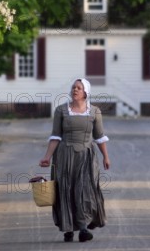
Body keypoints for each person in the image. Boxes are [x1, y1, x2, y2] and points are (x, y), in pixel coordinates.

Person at [39, 78, 110, 243]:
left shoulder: (94, 112)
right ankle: (68, 228)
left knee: (85, 189)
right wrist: (47, 157)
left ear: (86, 92)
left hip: (86, 156)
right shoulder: (61, 111)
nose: (75, 90)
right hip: (64, 156)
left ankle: (84, 227)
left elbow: (99, 137)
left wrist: (106, 156)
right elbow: (56, 136)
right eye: (73, 87)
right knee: (65, 190)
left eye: (79, 88)